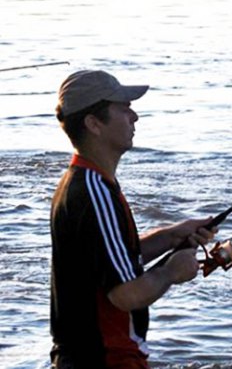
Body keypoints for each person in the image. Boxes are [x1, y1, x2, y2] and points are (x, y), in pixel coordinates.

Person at [50, 70, 216, 369]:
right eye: (123, 107)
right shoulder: (94, 192)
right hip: (104, 358)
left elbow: (105, 260)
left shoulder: (83, 181)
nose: (134, 116)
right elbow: (125, 295)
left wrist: (169, 237)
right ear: (93, 124)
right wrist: (170, 272)